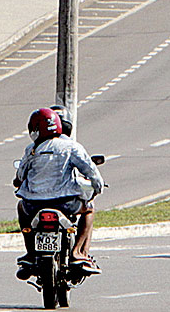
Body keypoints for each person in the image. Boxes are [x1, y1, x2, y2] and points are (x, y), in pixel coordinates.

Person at [14, 107, 104, 278]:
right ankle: (79, 253)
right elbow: (91, 171)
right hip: (65, 203)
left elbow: (20, 174)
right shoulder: (71, 146)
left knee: (21, 207)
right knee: (89, 209)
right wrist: (97, 188)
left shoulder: (32, 149)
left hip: (33, 204)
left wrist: (18, 181)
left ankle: (31, 253)